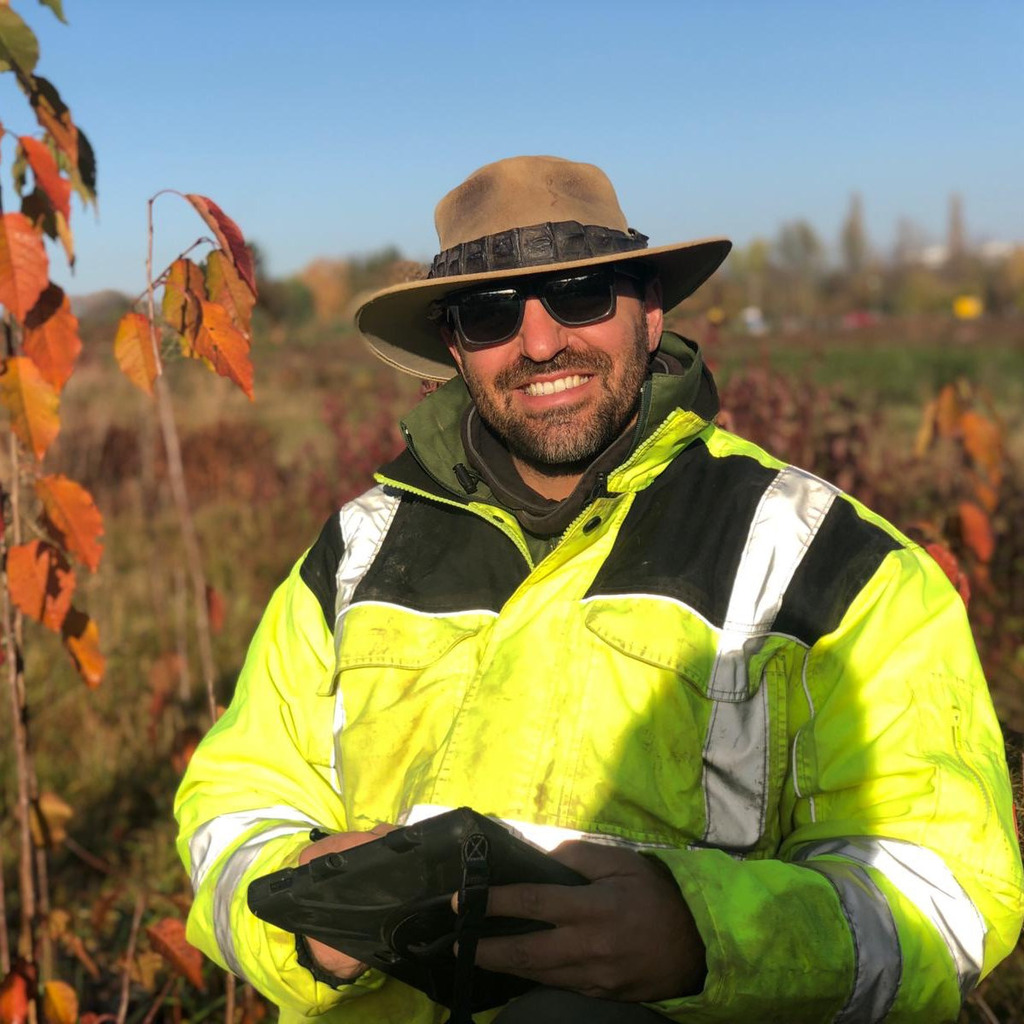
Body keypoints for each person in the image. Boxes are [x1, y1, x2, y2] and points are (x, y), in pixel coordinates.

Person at [174, 155, 1024, 1023]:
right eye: (491, 312)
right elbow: (231, 812)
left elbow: (945, 896)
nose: (541, 343)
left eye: (580, 295)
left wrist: (703, 941)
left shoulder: (836, 565)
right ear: (455, 349)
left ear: (649, 314)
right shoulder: (355, 554)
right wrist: (307, 908)